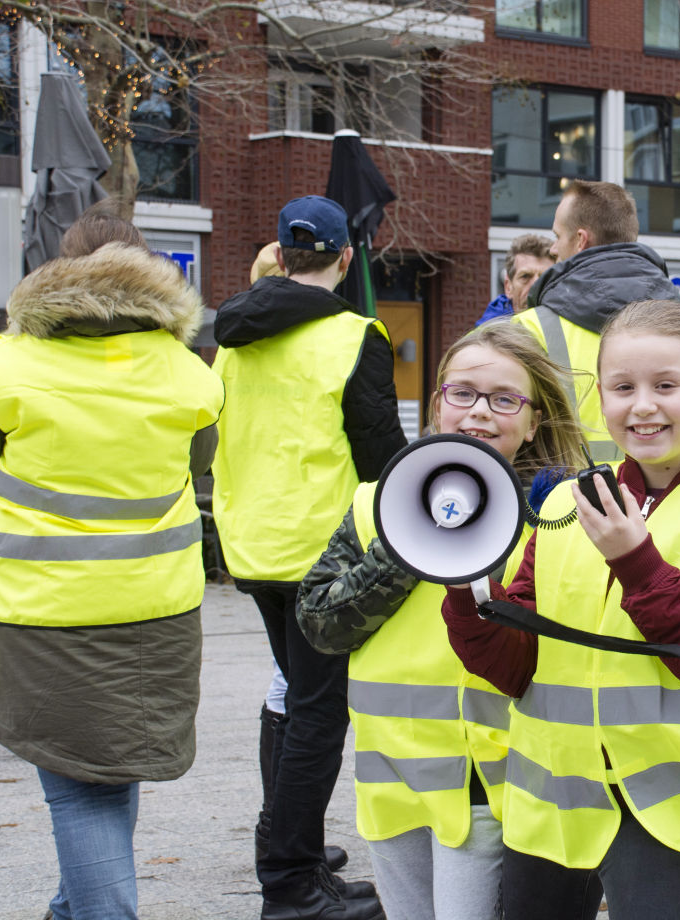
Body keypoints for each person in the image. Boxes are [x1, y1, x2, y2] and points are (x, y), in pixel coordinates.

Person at [443, 300, 680, 919]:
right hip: (557, 792)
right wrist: (465, 589)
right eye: (623, 387)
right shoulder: (570, 501)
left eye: (665, 386)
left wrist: (637, 563)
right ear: (602, 397)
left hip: (668, 805)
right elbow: (516, 669)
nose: (642, 406)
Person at [0, 213, 224, 920]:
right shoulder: (188, 370)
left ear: (60, 270)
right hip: (157, 609)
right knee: (106, 774)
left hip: (48, 614)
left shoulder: (7, 359)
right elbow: (200, 464)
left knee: (79, 785)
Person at [298, 322, 587, 919]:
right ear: (437, 405)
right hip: (392, 778)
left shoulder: (557, 518)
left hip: (492, 783)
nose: (480, 413)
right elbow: (320, 624)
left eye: (505, 400)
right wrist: (409, 544)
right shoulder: (378, 503)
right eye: (463, 394)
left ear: (534, 422)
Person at [212, 195, 405, 920]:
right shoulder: (356, 335)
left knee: (295, 697)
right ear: (345, 258)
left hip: (252, 542)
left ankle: (298, 850)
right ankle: (290, 882)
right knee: (321, 713)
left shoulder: (233, 335)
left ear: (281, 253)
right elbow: (382, 455)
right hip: (322, 553)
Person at [514, 179, 680, 459]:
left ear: (580, 240)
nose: (553, 249)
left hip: (571, 498)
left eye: (558, 236)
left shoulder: (531, 329)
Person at [478, 234, 554, 325]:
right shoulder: (485, 336)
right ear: (508, 287)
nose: (536, 286)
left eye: (545, 278)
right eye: (525, 276)